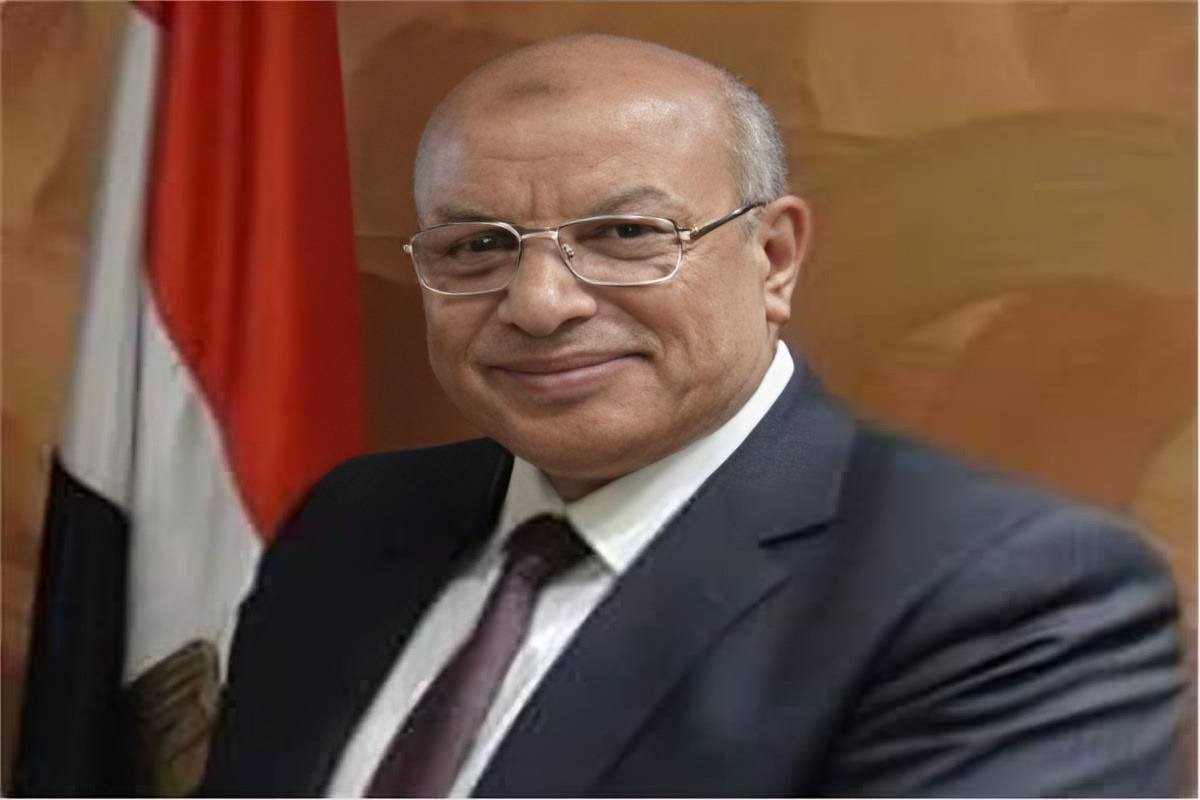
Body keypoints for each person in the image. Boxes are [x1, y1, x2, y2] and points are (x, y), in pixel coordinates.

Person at [200, 34, 1184, 797]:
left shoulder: (1008, 594)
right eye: (477, 247)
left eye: (625, 234)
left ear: (774, 258)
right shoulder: (355, 524)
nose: (538, 303)